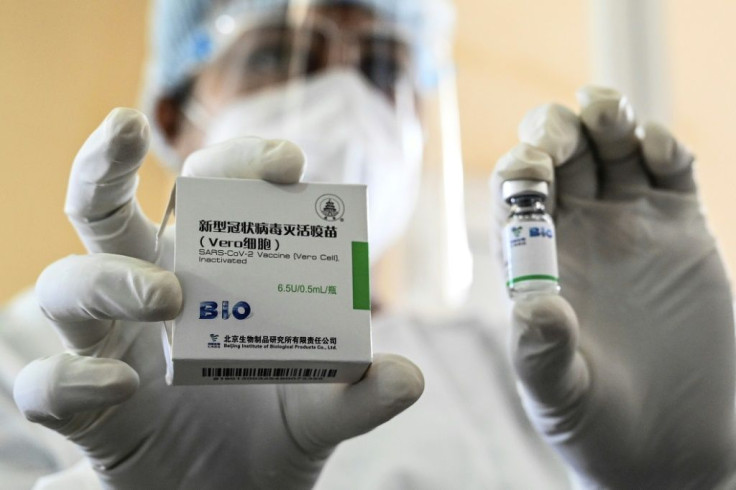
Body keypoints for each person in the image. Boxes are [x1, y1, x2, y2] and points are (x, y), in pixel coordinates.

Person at [6, 0, 736, 489]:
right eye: (277, 56)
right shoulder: (50, 352)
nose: (346, 97)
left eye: (384, 67)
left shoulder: (528, 371)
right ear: (175, 111)